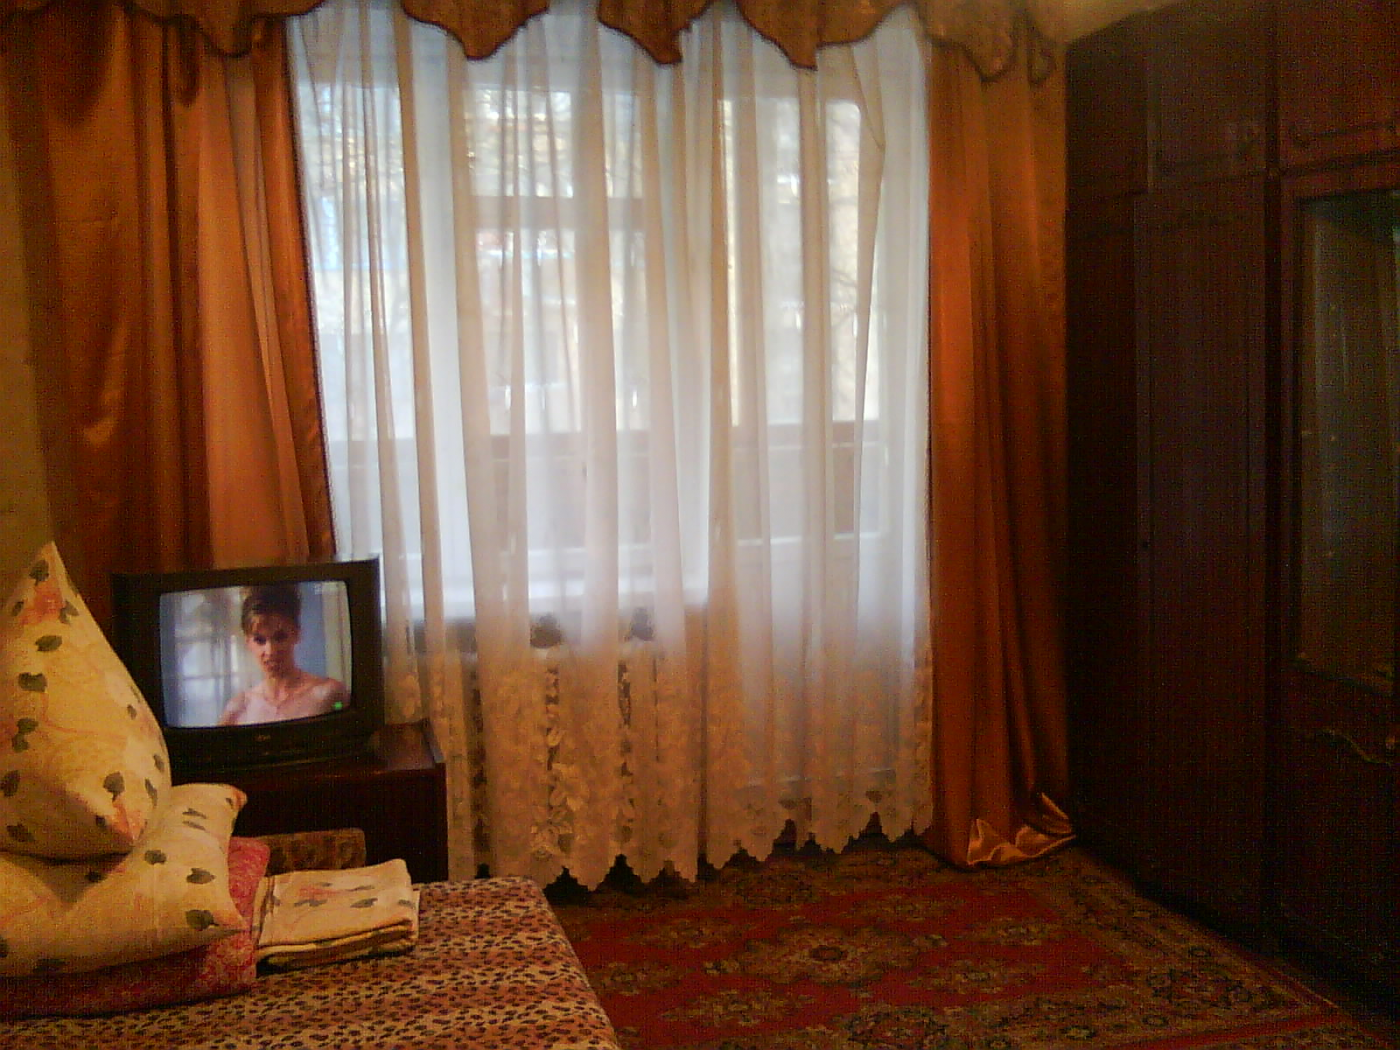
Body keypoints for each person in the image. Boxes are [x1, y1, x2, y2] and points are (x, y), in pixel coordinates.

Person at [218, 583, 350, 726]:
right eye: (260, 640)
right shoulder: (239, 708)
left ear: (296, 634)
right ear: (248, 642)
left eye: (280, 637)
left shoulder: (329, 694)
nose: (270, 651)